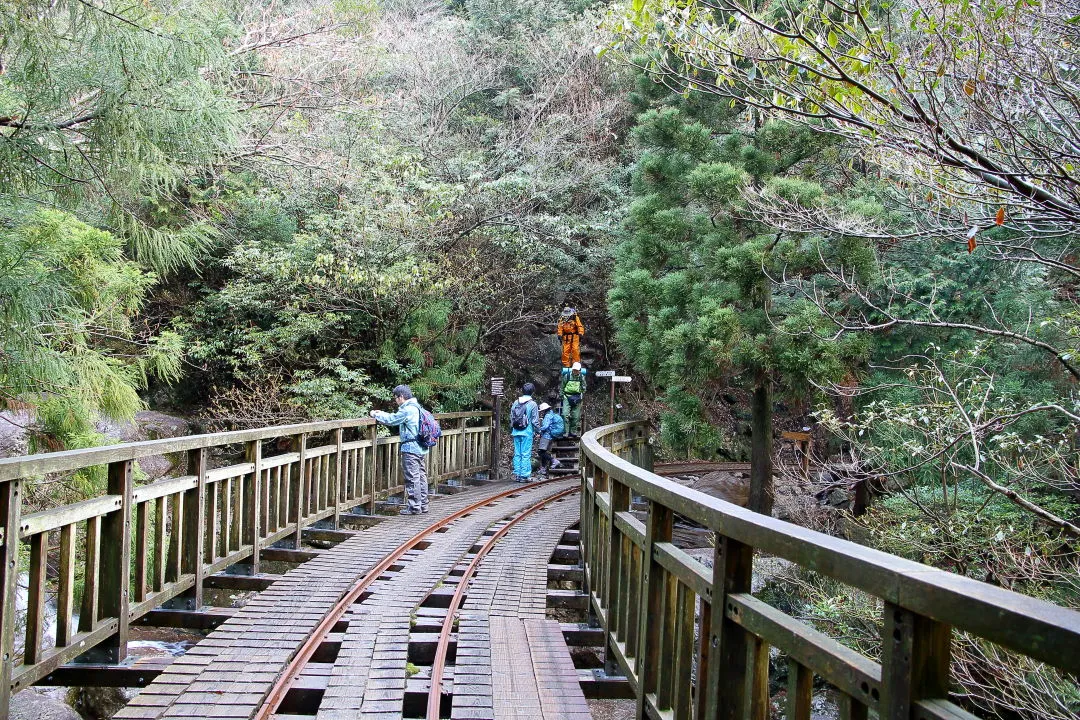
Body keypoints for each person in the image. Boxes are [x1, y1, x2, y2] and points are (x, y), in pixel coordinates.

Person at [370, 385, 429, 515]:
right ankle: (423, 505)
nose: (395, 401)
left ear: (401, 397)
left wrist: (375, 414)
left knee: (412, 478)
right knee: (421, 477)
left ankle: (414, 507)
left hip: (411, 448)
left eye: (396, 398)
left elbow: (392, 420)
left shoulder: (408, 409)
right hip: (420, 447)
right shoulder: (418, 407)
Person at [509, 383, 540, 482]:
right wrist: (539, 430)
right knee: (526, 454)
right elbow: (535, 421)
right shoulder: (532, 404)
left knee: (517, 453)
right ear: (532, 392)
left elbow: (512, 417)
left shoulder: (515, 402)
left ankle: (517, 474)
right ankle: (525, 475)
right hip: (527, 432)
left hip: (516, 431)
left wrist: (513, 428)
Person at [537, 402, 565, 477]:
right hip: (551, 436)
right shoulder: (552, 414)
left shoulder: (548, 416)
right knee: (544, 452)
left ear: (544, 410)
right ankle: (543, 469)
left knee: (541, 452)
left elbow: (545, 426)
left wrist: (539, 430)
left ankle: (554, 461)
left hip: (546, 436)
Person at [560, 362, 587, 437]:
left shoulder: (581, 377)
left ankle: (573, 431)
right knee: (565, 414)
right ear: (572, 369)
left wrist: (580, 395)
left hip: (577, 397)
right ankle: (566, 432)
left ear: (579, 370)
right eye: (574, 370)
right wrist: (562, 395)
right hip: (567, 396)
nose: (576, 371)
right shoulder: (567, 376)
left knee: (576, 416)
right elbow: (562, 386)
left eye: (577, 370)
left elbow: (584, 387)